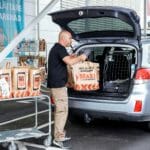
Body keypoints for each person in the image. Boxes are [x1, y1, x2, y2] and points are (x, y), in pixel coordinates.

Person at [47, 30, 87, 148]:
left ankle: (59, 134)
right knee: (61, 111)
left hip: (58, 85)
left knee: (61, 110)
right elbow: (69, 62)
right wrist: (81, 57)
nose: (71, 41)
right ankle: (58, 138)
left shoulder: (57, 49)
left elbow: (66, 60)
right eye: (70, 38)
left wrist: (72, 56)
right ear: (63, 38)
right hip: (58, 86)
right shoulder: (59, 48)